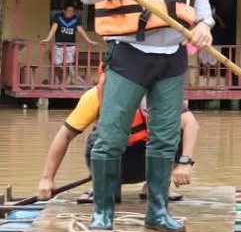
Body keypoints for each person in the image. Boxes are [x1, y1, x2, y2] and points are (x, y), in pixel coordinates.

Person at [80, 0, 214, 232]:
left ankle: (157, 210)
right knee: (111, 136)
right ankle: (102, 211)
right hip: (131, 54)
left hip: (172, 56)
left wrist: (205, 24)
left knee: (167, 137)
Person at [35, 81, 199, 201]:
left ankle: (155, 185)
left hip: (148, 158)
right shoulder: (96, 96)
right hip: (109, 158)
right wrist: (47, 179)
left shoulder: (158, 93)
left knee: (173, 132)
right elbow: (65, 135)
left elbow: (190, 124)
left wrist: (184, 162)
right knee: (111, 198)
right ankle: (105, 185)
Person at [40, 1, 96, 86]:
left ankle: (63, 83)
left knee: (67, 65)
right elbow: (54, 28)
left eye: (73, 11)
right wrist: (48, 39)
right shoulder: (58, 17)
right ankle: (57, 82)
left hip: (70, 46)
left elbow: (81, 30)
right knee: (57, 65)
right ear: (64, 11)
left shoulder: (75, 19)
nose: (71, 13)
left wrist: (89, 40)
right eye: (69, 10)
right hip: (59, 45)